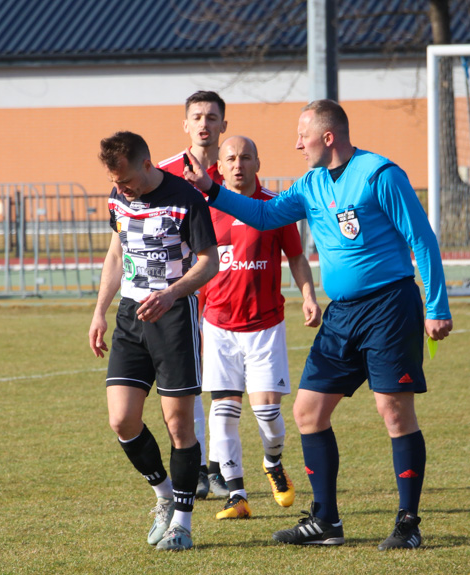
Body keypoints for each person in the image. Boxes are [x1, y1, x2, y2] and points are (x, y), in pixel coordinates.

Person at [183, 99, 453, 550]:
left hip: (389, 307)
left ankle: (408, 523)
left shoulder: (379, 174)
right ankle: (326, 522)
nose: (296, 144)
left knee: (394, 412)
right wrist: (212, 189)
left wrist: (437, 306)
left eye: (302, 136)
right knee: (308, 412)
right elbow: (266, 215)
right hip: (342, 313)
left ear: (327, 137)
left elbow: (421, 238)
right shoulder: (309, 184)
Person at [88, 131, 218, 551]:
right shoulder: (118, 197)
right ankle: (164, 496)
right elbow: (115, 252)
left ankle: (182, 522)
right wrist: (99, 312)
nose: (121, 188)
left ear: (148, 164)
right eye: (115, 182)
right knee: (122, 420)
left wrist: (172, 292)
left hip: (174, 316)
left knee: (179, 424)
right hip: (130, 315)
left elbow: (209, 262)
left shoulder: (186, 199)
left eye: (126, 180)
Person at [202, 135, 321, 521]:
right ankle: (236, 495)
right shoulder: (204, 208)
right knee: (223, 411)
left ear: (258, 163)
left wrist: (308, 295)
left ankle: (273, 462)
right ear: (219, 166)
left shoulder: (274, 207)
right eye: (231, 158)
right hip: (218, 325)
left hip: (265, 325)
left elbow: (297, 257)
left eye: (246, 157)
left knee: (267, 415)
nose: (238, 164)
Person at [157, 90, 228, 499]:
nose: (204, 123)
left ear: (223, 125)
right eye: (197, 116)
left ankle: (219, 467)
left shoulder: (234, 171)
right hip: (180, 295)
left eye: (212, 117)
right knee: (187, 385)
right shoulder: (164, 173)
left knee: (223, 384)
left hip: (225, 293)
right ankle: (197, 467)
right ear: (185, 124)